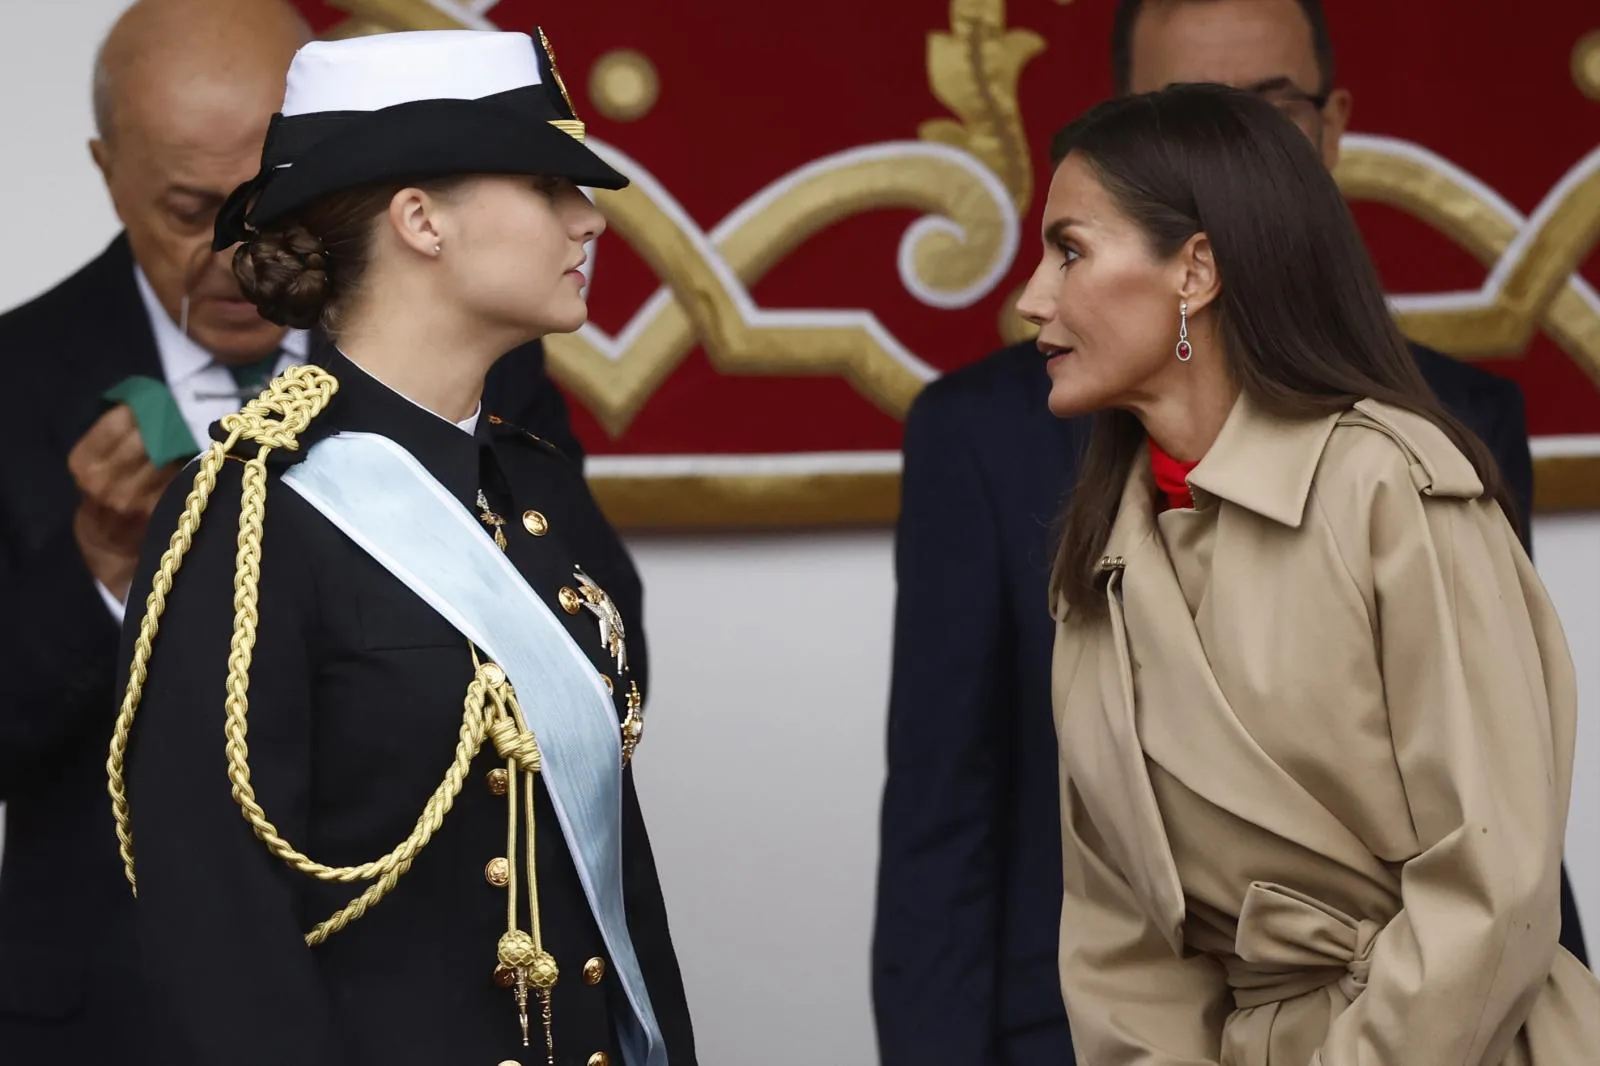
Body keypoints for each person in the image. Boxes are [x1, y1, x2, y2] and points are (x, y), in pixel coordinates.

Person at [870, 2, 1586, 1063]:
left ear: (1193, 272)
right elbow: (1124, 943)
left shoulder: (1394, 486)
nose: (1029, 298)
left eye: (1070, 252)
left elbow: (1493, 882)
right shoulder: (1098, 554)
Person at [0, 3, 604, 1058]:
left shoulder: (489, 370)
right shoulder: (15, 375)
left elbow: (590, 653)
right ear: (107, 169)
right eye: (191, 209)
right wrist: (97, 569)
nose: (236, 250)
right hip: (103, 1013)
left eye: (270, 199)